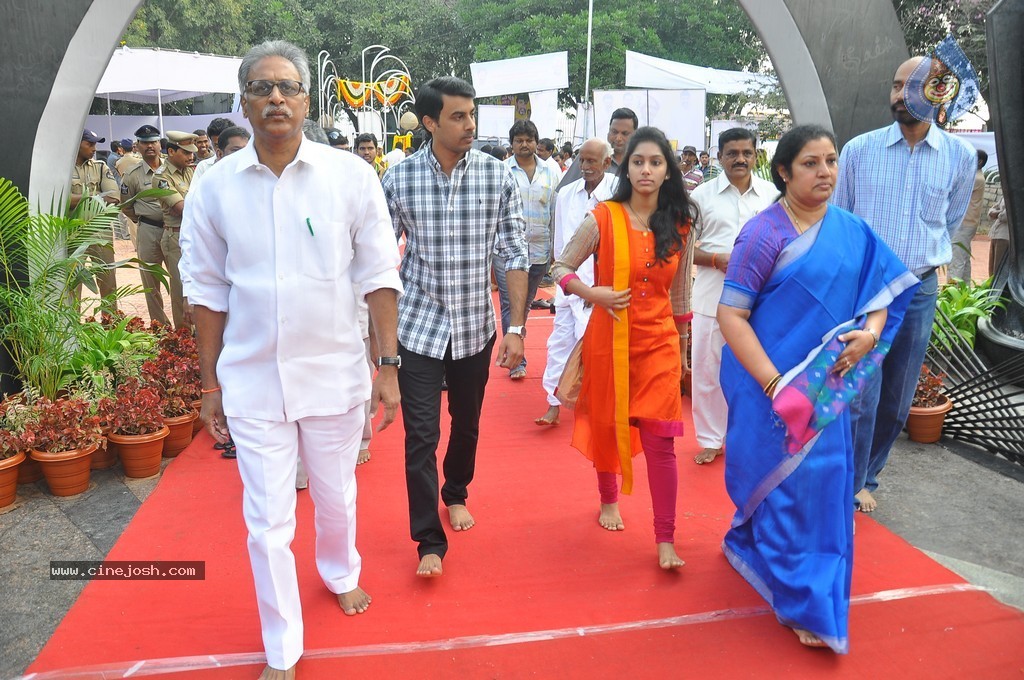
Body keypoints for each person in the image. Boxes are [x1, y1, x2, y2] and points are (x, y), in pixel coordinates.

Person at [181, 40, 402, 680]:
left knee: (336, 498)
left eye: (287, 87)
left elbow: (378, 275)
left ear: (307, 100)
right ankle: (283, 648)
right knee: (266, 522)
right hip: (251, 379)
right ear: (244, 103)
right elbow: (206, 288)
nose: (275, 98)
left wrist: (386, 365)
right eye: (261, 88)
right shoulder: (214, 187)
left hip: (333, 372)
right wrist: (209, 384)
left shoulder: (350, 176)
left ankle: (340, 571)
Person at [717, 125, 918, 653]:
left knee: (823, 490)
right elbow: (731, 314)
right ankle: (799, 596)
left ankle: (802, 586)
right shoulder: (763, 235)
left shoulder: (852, 230)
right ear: (783, 172)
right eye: (811, 163)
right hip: (772, 391)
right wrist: (775, 383)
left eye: (830, 161)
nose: (825, 171)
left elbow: (883, 291)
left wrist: (869, 336)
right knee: (782, 489)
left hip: (826, 391)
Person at [381, 76, 528, 579]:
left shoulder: (497, 175)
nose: (470, 126)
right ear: (429, 123)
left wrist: (518, 327)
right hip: (417, 326)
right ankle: (428, 538)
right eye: (458, 117)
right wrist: (376, 341)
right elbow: (381, 261)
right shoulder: (399, 180)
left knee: (466, 423)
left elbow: (513, 253)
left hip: (474, 327)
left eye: (472, 115)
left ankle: (455, 492)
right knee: (420, 433)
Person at [833, 56, 975, 512]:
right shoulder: (859, 150)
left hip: (918, 289)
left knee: (896, 401)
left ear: (939, 91)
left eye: (910, 85)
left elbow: (949, 223)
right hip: (866, 288)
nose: (899, 95)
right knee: (860, 395)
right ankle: (850, 482)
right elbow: (843, 219)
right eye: (895, 85)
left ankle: (868, 475)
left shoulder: (960, 157)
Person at [551, 126, 694, 570]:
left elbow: (682, 295)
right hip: (609, 339)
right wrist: (595, 294)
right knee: (608, 423)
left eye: (655, 162)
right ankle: (608, 498)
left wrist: (684, 349)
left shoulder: (681, 220)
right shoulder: (603, 217)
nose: (646, 170)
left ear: (668, 169)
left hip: (660, 345)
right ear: (625, 167)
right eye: (638, 162)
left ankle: (665, 538)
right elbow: (560, 266)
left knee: (662, 442)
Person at [689, 128, 779, 465]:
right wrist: (716, 260)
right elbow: (683, 250)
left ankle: (749, 439)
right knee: (708, 371)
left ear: (756, 155)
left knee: (757, 373)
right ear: (719, 157)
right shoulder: (701, 196)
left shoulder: (772, 196)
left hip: (761, 304)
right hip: (712, 298)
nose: (740, 159)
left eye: (746, 153)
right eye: (732, 153)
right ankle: (711, 439)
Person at [536, 137, 616, 427]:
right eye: (582, 160)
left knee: (595, 349)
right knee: (559, 342)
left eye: (592, 161)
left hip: (601, 289)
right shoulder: (567, 193)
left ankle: (597, 405)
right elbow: (560, 243)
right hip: (569, 285)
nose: (585, 166)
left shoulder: (618, 193)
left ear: (607, 163)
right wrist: (562, 281)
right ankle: (553, 403)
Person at [495, 119, 558, 380]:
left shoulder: (550, 172)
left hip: (540, 250)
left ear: (536, 142)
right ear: (511, 144)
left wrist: (555, 249)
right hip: (507, 252)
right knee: (511, 303)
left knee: (526, 304)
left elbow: (556, 211)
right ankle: (517, 360)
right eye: (519, 140)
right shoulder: (501, 170)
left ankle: (516, 343)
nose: (524, 144)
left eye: (529, 140)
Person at [121, 124, 171, 324]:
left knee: (180, 277)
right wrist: (143, 219)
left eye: (154, 142)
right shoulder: (132, 175)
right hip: (148, 231)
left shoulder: (171, 167)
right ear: (137, 146)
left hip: (174, 230)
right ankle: (161, 325)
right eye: (145, 143)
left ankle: (185, 326)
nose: (150, 146)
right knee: (151, 281)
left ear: (160, 144)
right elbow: (126, 206)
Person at [152, 130, 198, 329]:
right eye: (186, 152)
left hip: (196, 236)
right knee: (182, 292)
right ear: (171, 151)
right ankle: (184, 341)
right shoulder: (161, 178)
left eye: (191, 152)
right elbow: (182, 209)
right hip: (176, 237)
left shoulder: (191, 171)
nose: (191, 156)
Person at [70, 129, 119, 311]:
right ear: (77, 143)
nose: (94, 148)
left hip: (101, 231)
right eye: (89, 144)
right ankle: (72, 332)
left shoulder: (100, 166)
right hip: (73, 233)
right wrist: (96, 196)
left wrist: (80, 198)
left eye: (95, 144)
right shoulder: (63, 169)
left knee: (108, 281)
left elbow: (113, 197)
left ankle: (110, 325)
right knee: (73, 282)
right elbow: (61, 199)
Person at [557, 108, 637, 190]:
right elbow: (562, 193)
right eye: (614, 132)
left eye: (625, 133)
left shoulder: (640, 164)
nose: (618, 138)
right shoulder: (587, 157)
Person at [947, 149, 988, 282]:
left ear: (979, 162)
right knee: (963, 259)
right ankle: (964, 291)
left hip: (963, 224)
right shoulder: (976, 176)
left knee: (956, 261)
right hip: (967, 223)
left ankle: (950, 297)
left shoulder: (974, 178)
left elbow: (952, 190)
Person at [192, 118, 237, 183]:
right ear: (211, 142)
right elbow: (194, 192)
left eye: (224, 145)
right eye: (216, 145)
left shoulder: (246, 165)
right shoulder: (203, 167)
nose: (220, 150)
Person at [988, 195, 1009, 277]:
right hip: (995, 234)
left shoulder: (1017, 194)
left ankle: (998, 288)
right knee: (992, 267)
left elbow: (1007, 215)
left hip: (1005, 236)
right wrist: (999, 212)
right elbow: (991, 210)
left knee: (999, 269)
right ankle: (992, 287)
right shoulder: (1004, 195)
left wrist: (997, 214)